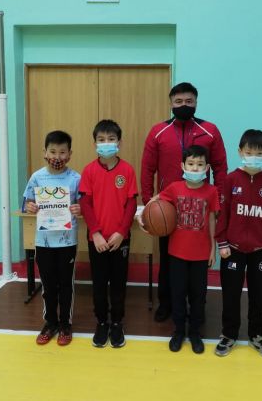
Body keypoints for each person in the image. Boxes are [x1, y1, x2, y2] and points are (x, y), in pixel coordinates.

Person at [141, 82, 227, 322]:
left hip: (200, 207)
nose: (184, 105)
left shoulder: (210, 131)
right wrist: (148, 204)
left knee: (197, 261)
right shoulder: (158, 131)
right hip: (167, 208)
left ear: (196, 102)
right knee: (169, 259)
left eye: (189, 101)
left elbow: (220, 168)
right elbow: (147, 169)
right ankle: (166, 303)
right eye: (178, 102)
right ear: (171, 104)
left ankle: (196, 305)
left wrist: (219, 202)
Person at [214, 129, 262, 358]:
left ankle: (257, 334)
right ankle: (228, 334)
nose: (254, 157)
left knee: (258, 294)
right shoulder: (230, 179)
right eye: (249, 152)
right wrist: (222, 241)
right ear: (240, 151)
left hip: (261, 250)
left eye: (259, 153)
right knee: (230, 294)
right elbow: (223, 214)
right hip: (232, 249)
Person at [151, 145, 219, 354]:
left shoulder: (211, 191)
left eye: (200, 164)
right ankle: (179, 331)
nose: (195, 168)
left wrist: (213, 249)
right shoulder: (174, 188)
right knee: (178, 294)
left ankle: (195, 332)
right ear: (183, 166)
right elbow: (157, 203)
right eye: (191, 164)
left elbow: (211, 220)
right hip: (177, 253)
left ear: (206, 168)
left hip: (201, 254)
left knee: (198, 295)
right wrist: (147, 217)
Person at [79, 119, 138, 348]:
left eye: (111, 139)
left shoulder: (127, 170)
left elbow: (131, 204)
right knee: (99, 283)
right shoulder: (89, 170)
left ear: (119, 142)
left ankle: (117, 323)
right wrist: (95, 233)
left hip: (120, 239)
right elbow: (85, 203)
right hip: (97, 240)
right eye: (101, 140)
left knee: (119, 283)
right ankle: (102, 322)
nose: (106, 143)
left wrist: (122, 232)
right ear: (94, 143)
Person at [23, 130, 81, 346]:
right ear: (45, 153)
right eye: (53, 151)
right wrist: (30, 207)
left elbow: (84, 205)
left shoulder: (76, 178)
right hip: (43, 241)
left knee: (66, 284)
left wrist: (79, 208)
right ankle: (50, 323)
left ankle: (65, 324)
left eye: (62, 152)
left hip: (67, 241)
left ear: (70, 154)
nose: (57, 157)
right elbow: (26, 203)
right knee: (48, 285)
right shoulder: (37, 177)